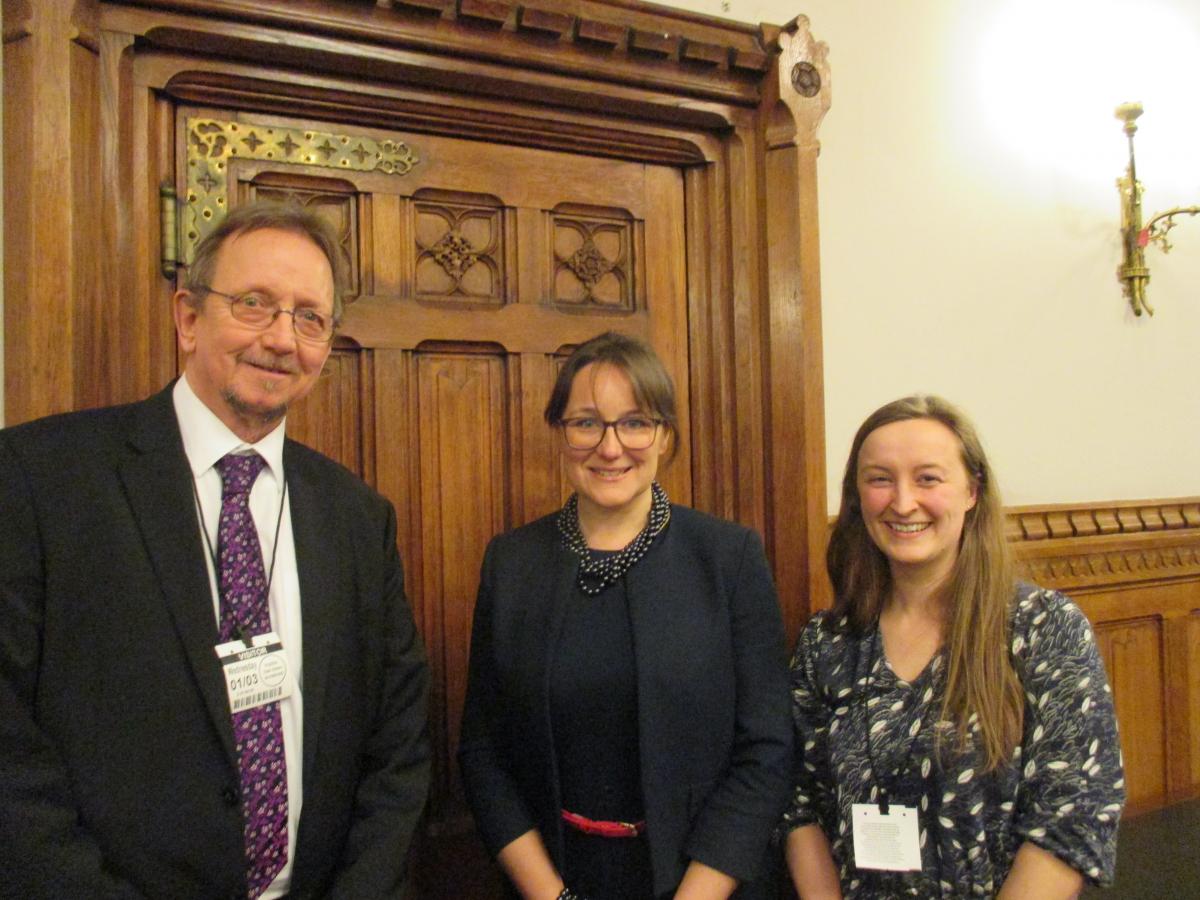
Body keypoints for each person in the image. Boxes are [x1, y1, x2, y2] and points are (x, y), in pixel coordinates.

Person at [0, 202, 431, 899]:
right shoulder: (38, 480)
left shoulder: (357, 518)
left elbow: (398, 746)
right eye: (254, 304)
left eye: (310, 318)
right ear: (189, 318)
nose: (283, 339)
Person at [458, 331, 792, 900]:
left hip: (704, 882)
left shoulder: (728, 558)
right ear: (559, 434)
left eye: (635, 422)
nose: (610, 448)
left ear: (665, 435)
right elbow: (483, 751)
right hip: (553, 878)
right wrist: (551, 895)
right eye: (586, 422)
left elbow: (766, 749)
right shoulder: (512, 562)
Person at [781, 395, 1124, 898]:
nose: (902, 502)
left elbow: (1072, 815)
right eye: (880, 479)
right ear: (857, 498)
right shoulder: (826, 643)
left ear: (972, 491)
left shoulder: (1044, 627)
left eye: (927, 478)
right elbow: (799, 803)